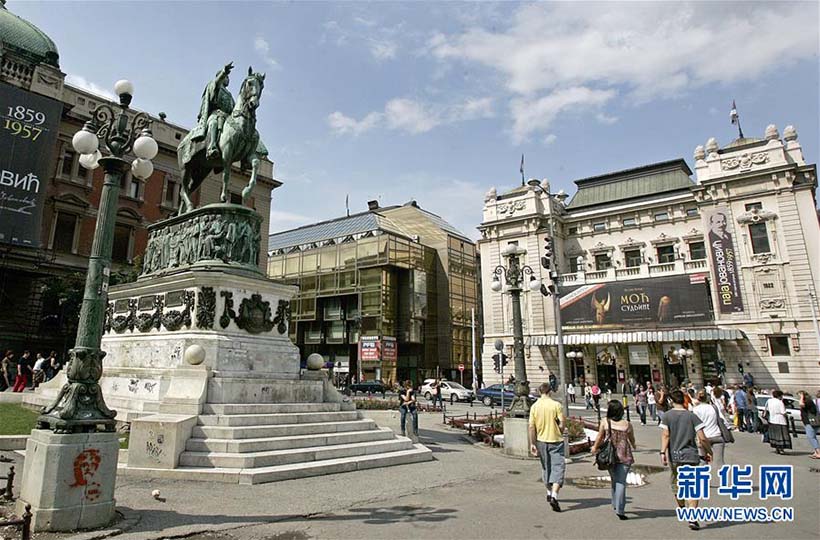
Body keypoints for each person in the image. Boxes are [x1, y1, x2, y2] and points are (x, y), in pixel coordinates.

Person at [660, 389, 713, 531]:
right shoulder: (692, 416)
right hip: (691, 455)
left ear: (671, 401)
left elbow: (665, 435)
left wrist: (662, 452)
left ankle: (682, 506)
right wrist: (709, 451)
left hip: (675, 456)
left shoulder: (667, 416)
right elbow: (702, 438)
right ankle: (692, 517)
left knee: (676, 484)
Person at [590, 400, 636, 520]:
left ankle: (615, 503)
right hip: (625, 455)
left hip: (609, 456)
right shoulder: (627, 424)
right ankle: (620, 509)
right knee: (621, 481)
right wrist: (634, 445)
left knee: (614, 479)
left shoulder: (605, 422)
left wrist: (594, 447)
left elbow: (600, 436)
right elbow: (631, 438)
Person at [529, 382, 565, 512]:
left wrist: (532, 443)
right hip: (556, 440)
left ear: (540, 392)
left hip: (541, 440)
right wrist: (560, 430)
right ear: (550, 392)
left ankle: (549, 493)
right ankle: (554, 495)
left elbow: (531, 427)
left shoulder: (534, 406)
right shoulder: (556, 405)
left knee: (546, 467)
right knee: (558, 467)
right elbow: (562, 423)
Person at [693, 389, 730, 479]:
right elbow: (722, 420)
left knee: (703, 461)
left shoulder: (695, 410)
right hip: (716, 435)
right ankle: (725, 480)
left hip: (703, 437)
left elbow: (694, 425)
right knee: (720, 462)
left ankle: (703, 482)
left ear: (697, 398)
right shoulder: (713, 407)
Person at [764, 390, 791, 454]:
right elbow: (783, 412)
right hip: (780, 420)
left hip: (772, 420)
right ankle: (781, 449)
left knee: (775, 435)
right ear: (779, 396)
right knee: (781, 436)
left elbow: (767, 409)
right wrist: (787, 415)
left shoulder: (769, 401)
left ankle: (777, 449)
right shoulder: (780, 402)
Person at [798, 391, 820, 459]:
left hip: (810, 422)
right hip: (811, 421)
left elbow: (801, 404)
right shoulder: (809, 401)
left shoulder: (808, 401)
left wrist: (801, 397)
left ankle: (818, 452)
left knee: (810, 437)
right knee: (813, 436)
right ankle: (816, 452)